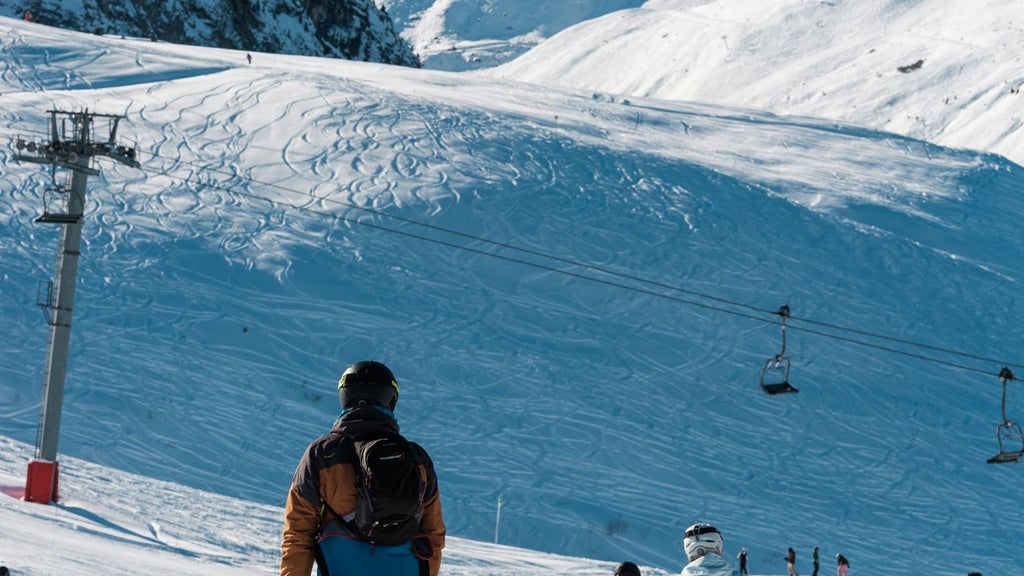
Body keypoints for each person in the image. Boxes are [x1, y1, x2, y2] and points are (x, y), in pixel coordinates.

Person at [280, 360, 445, 576]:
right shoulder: (416, 458)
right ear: (390, 399)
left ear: (345, 397)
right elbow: (433, 535)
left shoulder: (321, 454)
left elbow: (298, 534)